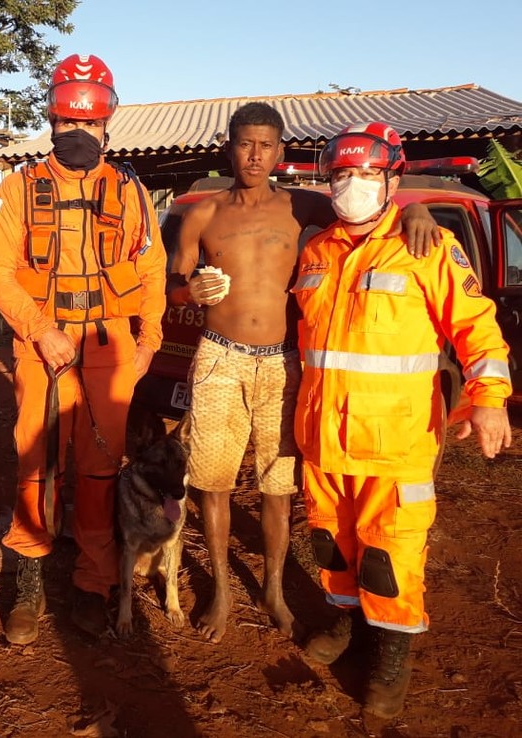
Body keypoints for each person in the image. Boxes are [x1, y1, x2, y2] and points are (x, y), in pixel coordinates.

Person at [167, 102, 439, 644]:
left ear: (281, 151)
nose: (255, 155)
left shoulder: (305, 206)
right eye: (245, 144)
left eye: (266, 145)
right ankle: (221, 589)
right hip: (220, 356)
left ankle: (272, 589)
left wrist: (417, 209)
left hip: (285, 363)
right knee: (213, 483)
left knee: (279, 485)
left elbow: (369, 204)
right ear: (230, 146)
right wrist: (189, 291)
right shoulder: (203, 212)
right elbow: (171, 286)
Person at [293, 122, 512, 719]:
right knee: (331, 545)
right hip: (322, 439)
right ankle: (347, 623)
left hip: (396, 442)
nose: (353, 185)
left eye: (367, 173)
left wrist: (488, 398)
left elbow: (476, 327)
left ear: (392, 178)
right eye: (342, 174)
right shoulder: (316, 250)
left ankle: (393, 652)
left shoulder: (429, 246)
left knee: (389, 555)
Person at [0, 54, 167, 643]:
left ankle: (94, 582)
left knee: (98, 470)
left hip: (109, 346)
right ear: (52, 122)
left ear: (107, 125)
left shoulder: (130, 191)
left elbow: (154, 271)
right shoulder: (17, 188)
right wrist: (40, 328)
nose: (78, 134)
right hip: (44, 347)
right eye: (67, 122)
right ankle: (30, 577)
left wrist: (147, 346)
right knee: (35, 463)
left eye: (89, 124)